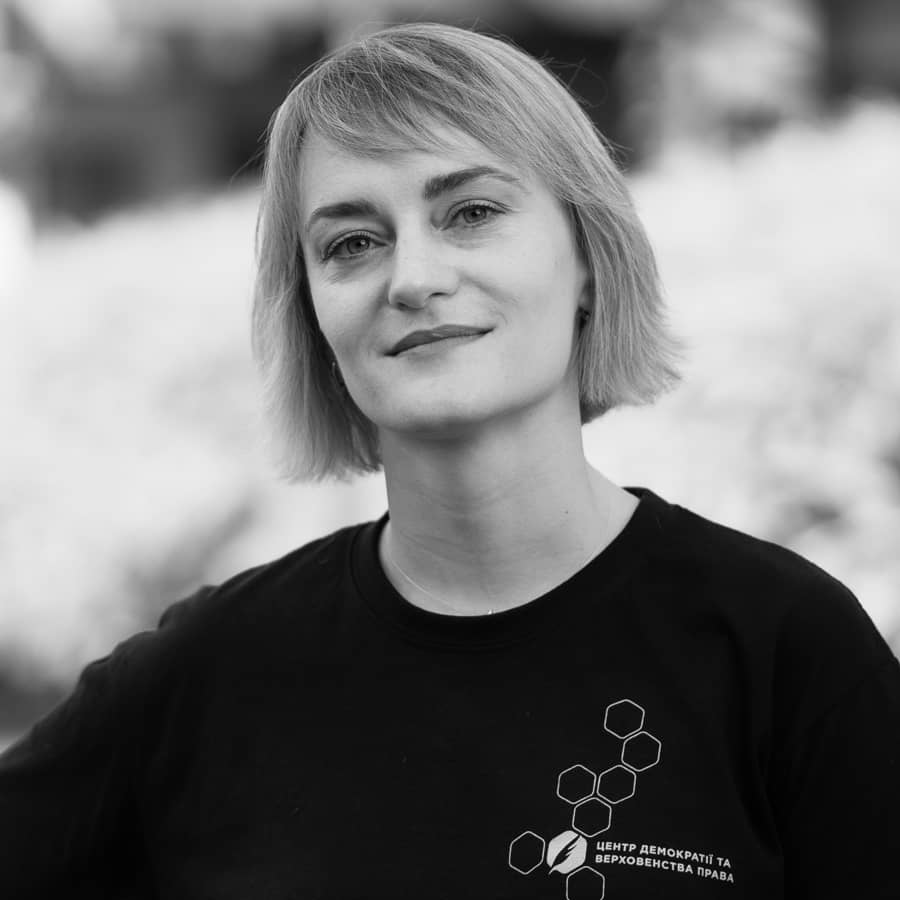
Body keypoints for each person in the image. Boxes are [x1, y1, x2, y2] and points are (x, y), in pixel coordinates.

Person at [1, 21, 898, 900]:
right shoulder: (205, 677)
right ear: (311, 314)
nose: (414, 278)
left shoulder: (782, 648)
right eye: (352, 243)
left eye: (471, 213)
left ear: (588, 260)